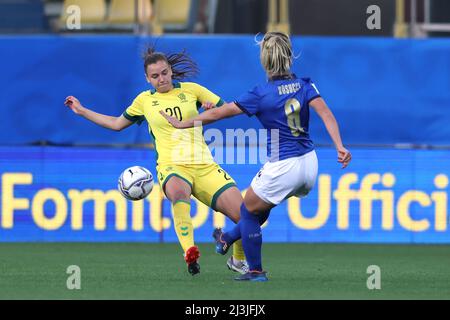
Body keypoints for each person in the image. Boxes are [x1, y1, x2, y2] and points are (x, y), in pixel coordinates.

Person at [160, 32, 352, 281]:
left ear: (264, 61)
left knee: (247, 211)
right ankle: (228, 238)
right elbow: (326, 114)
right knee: (260, 207)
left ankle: (255, 270)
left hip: (284, 165)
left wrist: (183, 123)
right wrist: (340, 146)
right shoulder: (306, 85)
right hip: (310, 163)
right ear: (289, 58)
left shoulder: (261, 93)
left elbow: (220, 114)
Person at [64, 47, 249, 276]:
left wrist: (212, 109)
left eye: (164, 73)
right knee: (179, 194)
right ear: (147, 78)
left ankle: (238, 261)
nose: (161, 79)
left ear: (171, 71)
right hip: (172, 166)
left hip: (204, 165)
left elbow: (226, 109)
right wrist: (82, 111)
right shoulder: (144, 101)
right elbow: (116, 124)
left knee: (245, 216)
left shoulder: (192, 90)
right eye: (155, 76)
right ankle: (189, 250)